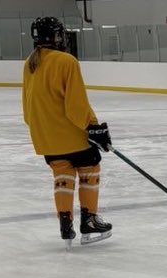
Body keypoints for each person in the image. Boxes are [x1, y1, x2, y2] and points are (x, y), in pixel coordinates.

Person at [21, 16, 113, 246]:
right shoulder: (66, 61)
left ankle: (65, 223)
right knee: (90, 167)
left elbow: (27, 106)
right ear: (57, 36)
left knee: (62, 173)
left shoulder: (29, 63)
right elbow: (76, 105)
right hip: (71, 135)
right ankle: (89, 219)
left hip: (45, 137)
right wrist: (93, 127)